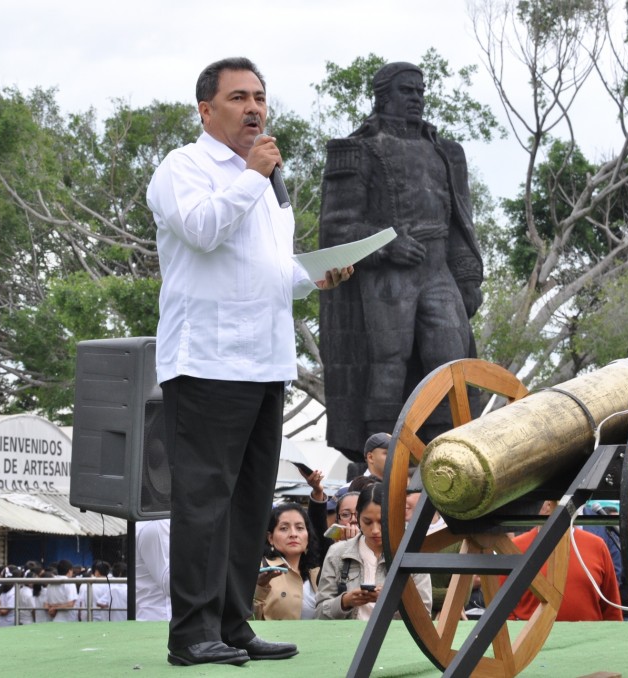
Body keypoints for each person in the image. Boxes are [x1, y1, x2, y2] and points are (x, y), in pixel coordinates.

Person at [146, 56, 352, 667]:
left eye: (260, 96)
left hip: (267, 363)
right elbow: (204, 230)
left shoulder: (265, 186)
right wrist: (253, 176)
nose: (255, 108)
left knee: (245, 506)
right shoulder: (184, 168)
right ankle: (189, 634)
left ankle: (233, 625)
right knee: (204, 503)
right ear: (207, 110)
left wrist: (316, 275)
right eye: (239, 97)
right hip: (207, 361)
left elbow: (266, 273)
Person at [319, 61, 483, 463]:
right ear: (384, 96)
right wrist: (388, 247)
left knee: (451, 359)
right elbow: (337, 229)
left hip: (437, 266)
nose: (416, 99)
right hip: (388, 274)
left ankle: (453, 453)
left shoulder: (445, 152)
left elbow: (460, 222)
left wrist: (468, 280)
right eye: (407, 91)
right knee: (388, 362)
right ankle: (382, 457)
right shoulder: (357, 150)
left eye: (420, 92)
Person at [315, 482, 432, 620]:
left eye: (382, 521)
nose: (375, 530)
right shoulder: (337, 553)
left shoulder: (412, 555)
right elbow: (320, 614)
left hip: (393, 639)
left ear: (396, 517)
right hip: (346, 638)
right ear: (357, 517)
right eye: (367, 522)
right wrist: (345, 601)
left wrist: (390, 600)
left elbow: (424, 615)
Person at [505, 501, 623, 622]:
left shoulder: (597, 546)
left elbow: (612, 609)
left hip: (590, 639)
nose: (548, 505)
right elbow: (501, 607)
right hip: (533, 639)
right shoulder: (514, 548)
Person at [254, 503, 321, 620]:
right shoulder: (260, 569)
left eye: (299, 528)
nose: (293, 534)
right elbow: (246, 619)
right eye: (284, 528)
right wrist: (260, 588)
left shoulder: (317, 573)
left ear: (308, 536)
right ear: (270, 538)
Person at [135, 518, 172, 622]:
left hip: (153, 619)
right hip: (161, 619)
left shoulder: (155, 524)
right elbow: (170, 583)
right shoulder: (158, 526)